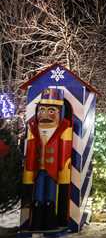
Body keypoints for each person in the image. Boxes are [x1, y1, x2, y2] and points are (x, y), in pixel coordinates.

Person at [22, 88, 72, 230]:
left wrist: (64, 170)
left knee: (50, 195)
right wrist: (29, 170)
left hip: (53, 170)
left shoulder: (63, 129)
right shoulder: (34, 128)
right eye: (41, 110)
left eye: (51, 111)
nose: (44, 114)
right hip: (38, 170)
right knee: (37, 196)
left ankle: (50, 220)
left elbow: (65, 150)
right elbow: (31, 149)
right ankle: (36, 221)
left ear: (59, 112)